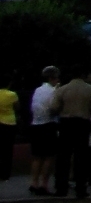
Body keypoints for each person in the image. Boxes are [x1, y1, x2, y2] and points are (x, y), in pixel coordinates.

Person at [50, 65, 91, 199]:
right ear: (84, 75)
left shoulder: (62, 89)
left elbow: (54, 108)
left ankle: (61, 187)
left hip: (66, 123)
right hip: (83, 123)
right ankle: (81, 188)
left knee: (63, 157)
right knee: (81, 157)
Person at [28, 66, 60, 196]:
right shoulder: (53, 91)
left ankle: (33, 182)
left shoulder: (37, 90)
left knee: (37, 157)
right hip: (48, 124)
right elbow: (54, 108)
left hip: (36, 124)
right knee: (48, 157)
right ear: (52, 78)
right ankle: (44, 184)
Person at [0, 73, 16, 182]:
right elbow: (17, 107)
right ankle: (5, 174)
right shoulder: (12, 94)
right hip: (9, 123)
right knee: (8, 149)